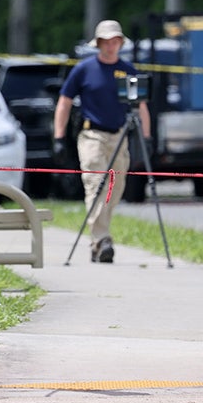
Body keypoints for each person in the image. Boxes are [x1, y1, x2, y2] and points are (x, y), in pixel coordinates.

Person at [52, 20, 150, 263]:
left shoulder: (128, 70)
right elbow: (64, 102)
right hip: (92, 137)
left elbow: (141, 106)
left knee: (114, 189)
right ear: (98, 44)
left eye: (115, 41)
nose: (110, 46)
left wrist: (145, 138)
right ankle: (102, 239)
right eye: (106, 42)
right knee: (97, 186)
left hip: (119, 137)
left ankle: (99, 239)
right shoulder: (84, 70)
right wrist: (59, 137)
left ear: (120, 43)